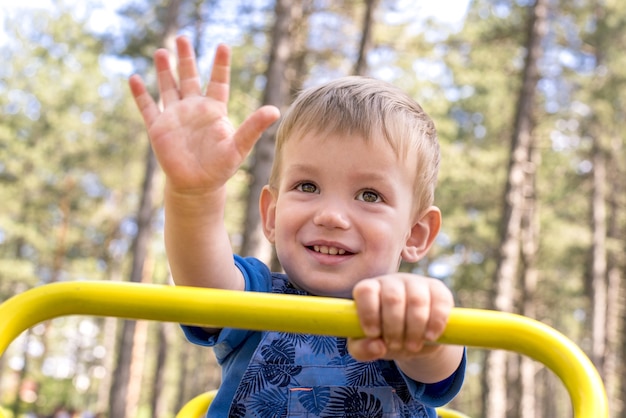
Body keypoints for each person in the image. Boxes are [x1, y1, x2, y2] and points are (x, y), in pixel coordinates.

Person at [129, 35, 466, 418]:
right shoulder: (256, 301)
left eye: (369, 195)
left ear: (416, 233)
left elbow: (439, 362)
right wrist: (194, 197)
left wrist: (418, 328)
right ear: (272, 215)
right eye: (307, 186)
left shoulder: (409, 310)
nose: (330, 216)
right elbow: (203, 288)